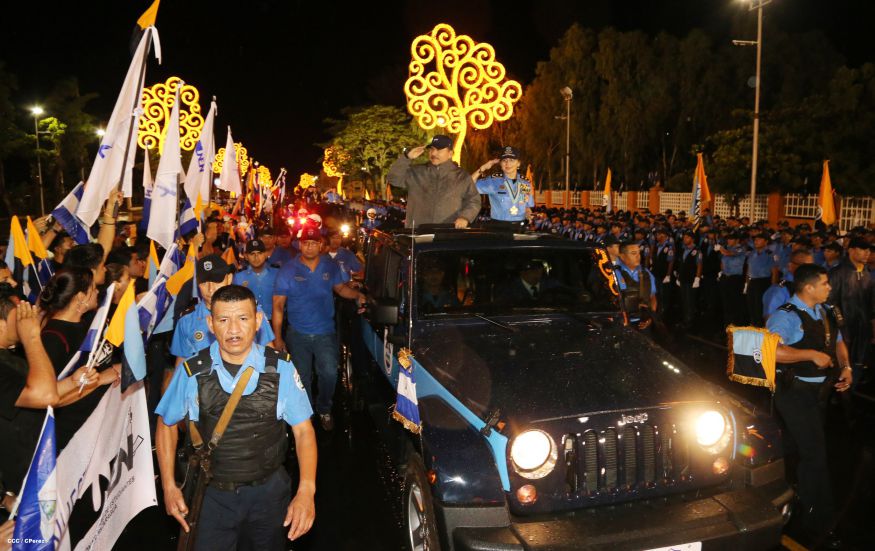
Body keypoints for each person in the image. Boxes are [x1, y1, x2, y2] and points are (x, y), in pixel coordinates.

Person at [155, 285, 317, 550]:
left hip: (268, 495)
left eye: (242, 318)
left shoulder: (281, 368)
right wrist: (169, 487)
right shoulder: (192, 371)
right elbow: (166, 424)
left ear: (257, 321)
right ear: (210, 324)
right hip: (211, 496)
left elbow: (303, 431)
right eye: (223, 320)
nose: (233, 329)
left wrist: (307, 490)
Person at [767, 263, 851, 546]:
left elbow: (838, 341)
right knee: (815, 455)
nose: (829, 287)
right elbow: (772, 351)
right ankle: (819, 522)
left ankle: (786, 495)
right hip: (795, 395)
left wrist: (846, 367)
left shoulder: (824, 311)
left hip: (818, 394)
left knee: (796, 448)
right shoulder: (786, 316)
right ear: (808, 287)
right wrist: (810, 355)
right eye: (825, 283)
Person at [271, 227, 366, 431]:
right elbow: (278, 305)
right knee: (302, 377)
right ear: (300, 244)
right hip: (297, 333)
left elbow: (340, 288)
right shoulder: (288, 270)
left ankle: (324, 408)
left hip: (325, 332)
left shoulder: (329, 266)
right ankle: (306, 415)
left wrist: (358, 295)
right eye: (306, 243)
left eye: (314, 243)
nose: (309, 247)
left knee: (330, 372)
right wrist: (277, 337)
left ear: (320, 245)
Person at [38, 268, 120, 451]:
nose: (98, 291)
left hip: (94, 426)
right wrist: (99, 380)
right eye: (93, 288)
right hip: (70, 439)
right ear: (81, 297)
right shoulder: (53, 339)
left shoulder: (85, 323)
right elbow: (49, 398)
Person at [171, 254, 275, 367]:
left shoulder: (251, 312)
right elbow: (181, 365)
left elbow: (269, 352)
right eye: (204, 283)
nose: (211, 289)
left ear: (229, 279)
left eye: (216, 281)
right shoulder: (187, 320)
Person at [386, 134, 482, 228]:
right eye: (432, 149)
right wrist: (406, 157)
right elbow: (393, 179)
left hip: (447, 232)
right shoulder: (417, 172)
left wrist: (465, 217)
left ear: (450, 154)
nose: (434, 153)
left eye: (439, 150)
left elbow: (473, 201)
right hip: (418, 232)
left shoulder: (462, 177)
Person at [828, 237, 873, 387]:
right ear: (851, 251)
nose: (867, 253)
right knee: (841, 363)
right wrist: (840, 323)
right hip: (843, 330)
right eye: (863, 249)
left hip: (862, 328)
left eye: (869, 250)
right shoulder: (837, 273)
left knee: (858, 362)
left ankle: (850, 391)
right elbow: (829, 302)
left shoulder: (867, 273)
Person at [472, 146, 534, 228]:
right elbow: (469, 185)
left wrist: (528, 213)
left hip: (520, 227)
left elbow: (527, 206)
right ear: (500, 164)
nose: (508, 164)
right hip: (499, 227)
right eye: (504, 160)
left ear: (518, 163)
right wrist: (483, 168)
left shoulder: (525, 183)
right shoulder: (493, 181)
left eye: (511, 160)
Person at [233, 239, 279, 322]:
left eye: (259, 253)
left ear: (266, 254)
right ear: (246, 256)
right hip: (249, 322)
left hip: (273, 321)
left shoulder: (277, 275)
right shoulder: (238, 277)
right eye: (252, 254)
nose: (256, 257)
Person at [614, 241, 658, 328]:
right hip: (620, 323)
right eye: (633, 253)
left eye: (639, 253)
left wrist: (651, 317)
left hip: (642, 322)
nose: (638, 256)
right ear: (622, 256)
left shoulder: (646, 273)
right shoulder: (614, 273)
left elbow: (652, 297)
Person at [763, 249, 814, 320]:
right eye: (804, 266)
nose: (810, 270)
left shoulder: (809, 286)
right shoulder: (778, 290)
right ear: (791, 266)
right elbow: (770, 319)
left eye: (812, 266)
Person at [745, 233, 777, 327]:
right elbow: (748, 269)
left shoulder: (770, 254)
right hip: (752, 281)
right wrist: (746, 283)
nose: (756, 241)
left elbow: (774, 271)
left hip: (763, 282)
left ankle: (760, 327)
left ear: (766, 242)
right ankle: (753, 325)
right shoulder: (752, 253)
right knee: (751, 306)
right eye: (755, 240)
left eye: (759, 240)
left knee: (760, 307)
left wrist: (773, 287)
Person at [718, 232, 748, 326]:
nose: (728, 241)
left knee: (735, 302)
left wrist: (721, 249)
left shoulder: (741, 248)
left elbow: (730, 254)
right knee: (726, 302)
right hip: (725, 277)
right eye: (728, 239)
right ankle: (727, 325)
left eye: (731, 239)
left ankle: (736, 324)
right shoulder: (727, 248)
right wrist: (721, 271)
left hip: (735, 278)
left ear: (737, 240)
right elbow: (723, 261)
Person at [675, 230, 702, 329]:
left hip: (691, 279)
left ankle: (690, 321)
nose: (684, 239)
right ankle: (685, 319)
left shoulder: (697, 251)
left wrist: (697, 278)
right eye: (684, 237)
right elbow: (681, 263)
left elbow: (699, 265)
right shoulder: (683, 249)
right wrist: (678, 276)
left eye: (687, 237)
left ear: (692, 239)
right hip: (683, 278)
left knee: (690, 301)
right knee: (684, 300)